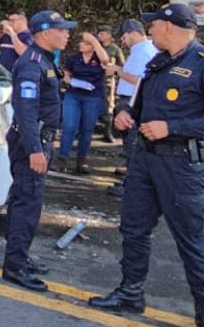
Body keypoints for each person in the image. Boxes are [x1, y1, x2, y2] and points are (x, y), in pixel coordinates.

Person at [89, 4, 204, 327]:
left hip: (183, 167)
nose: (149, 30)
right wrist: (124, 114)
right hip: (145, 162)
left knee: (192, 241)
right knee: (133, 229)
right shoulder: (157, 64)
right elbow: (136, 106)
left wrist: (173, 127)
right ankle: (130, 292)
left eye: (153, 24)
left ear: (170, 27)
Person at [1, 10, 76, 292]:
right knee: (27, 203)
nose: (68, 34)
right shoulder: (32, 64)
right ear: (45, 33)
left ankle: (18, 256)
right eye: (63, 29)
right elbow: (26, 110)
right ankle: (15, 267)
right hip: (31, 142)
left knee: (24, 198)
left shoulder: (43, 60)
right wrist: (35, 149)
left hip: (38, 140)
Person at [107, 19, 158, 196]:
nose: (123, 40)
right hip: (130, 99)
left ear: (134, 33)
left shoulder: (143, 52)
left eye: (125, 36)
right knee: (132, 144)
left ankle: (131, 186)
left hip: (132, 101)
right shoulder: (142, 50)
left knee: (133, 145)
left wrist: (117, 71)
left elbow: (139, 80)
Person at [55, 32, 109, 174]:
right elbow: (65, 74)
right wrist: (72, 81)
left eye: (85, 43)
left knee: (87, 128)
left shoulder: (98, 58)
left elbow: (106, 60)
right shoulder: (74, 59)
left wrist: (93, 40)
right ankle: (62, 158)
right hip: (74, 94)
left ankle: (81, 160)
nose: (81, 45)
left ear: (93, 46)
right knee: (69, 126)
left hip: (93, 96)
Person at [97, 28, 127, 143]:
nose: (100, 35)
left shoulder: (115, 49)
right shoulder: (96, 47)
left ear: (109, 35)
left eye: (102, 33)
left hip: (108, 80)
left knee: (109, 105)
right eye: (99, 33)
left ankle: (107, 132)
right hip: (94, 79)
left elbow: (122, 65)